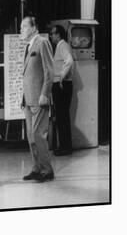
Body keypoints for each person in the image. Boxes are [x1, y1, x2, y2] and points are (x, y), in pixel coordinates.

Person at [20, 16, 55, 182]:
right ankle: (36, 168)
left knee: (38, 134)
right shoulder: (29, 46)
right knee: (31, 135)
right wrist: (23, 98)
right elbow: (27, 75)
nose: (21, 30)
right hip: (28, 99)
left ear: (34, 28)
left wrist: (45, 94)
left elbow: (49, 71)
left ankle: (47, 170)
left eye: (24, 27)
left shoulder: (42, 43)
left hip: (40, 98)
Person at [50, 24, 75, 156]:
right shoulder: (61, 46)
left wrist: (61, 77)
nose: (51, 36)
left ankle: (65, 147)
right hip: (62, 86)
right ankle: (65, 146)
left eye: (53, 33)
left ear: (58, 34)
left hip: (62, 86)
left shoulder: (62, 45)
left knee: (62, 117)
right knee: (62, 117)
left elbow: (69, 61)